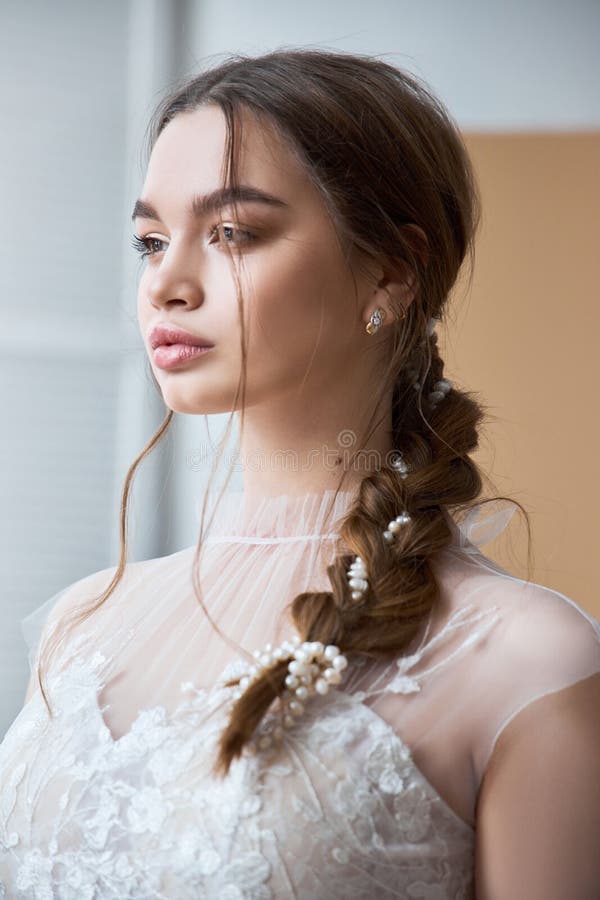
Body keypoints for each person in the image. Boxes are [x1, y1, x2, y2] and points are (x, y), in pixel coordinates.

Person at [1, 48, 599, 899]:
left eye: (233, 233)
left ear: (392, 269)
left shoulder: (525, 659)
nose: (166, 283)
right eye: (150, 241)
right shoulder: (80, 628)